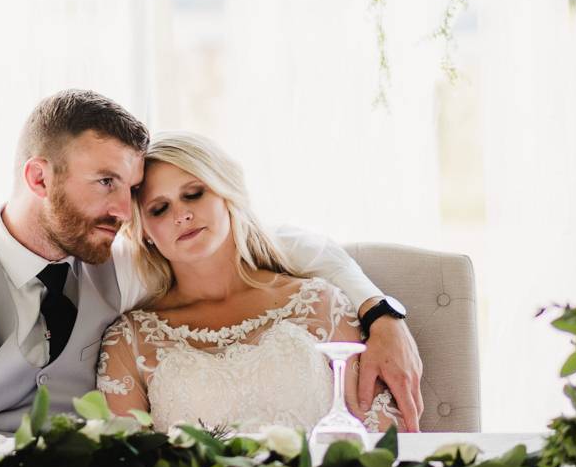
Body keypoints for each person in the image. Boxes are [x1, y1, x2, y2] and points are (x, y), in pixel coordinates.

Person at [0, 90, 423, 434]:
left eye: (133, 190)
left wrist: (380, 314)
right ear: (40, 179)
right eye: (107, 184)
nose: (126, 210)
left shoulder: (109, 255)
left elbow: (283, 245)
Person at [96, 132, 399, 431]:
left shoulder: (321, 304)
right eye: (159, 209)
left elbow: (381, 436)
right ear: (145, 232)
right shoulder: (128, 341)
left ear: (226, 194)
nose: (182, 215)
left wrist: (386, 316)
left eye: (193, 194)